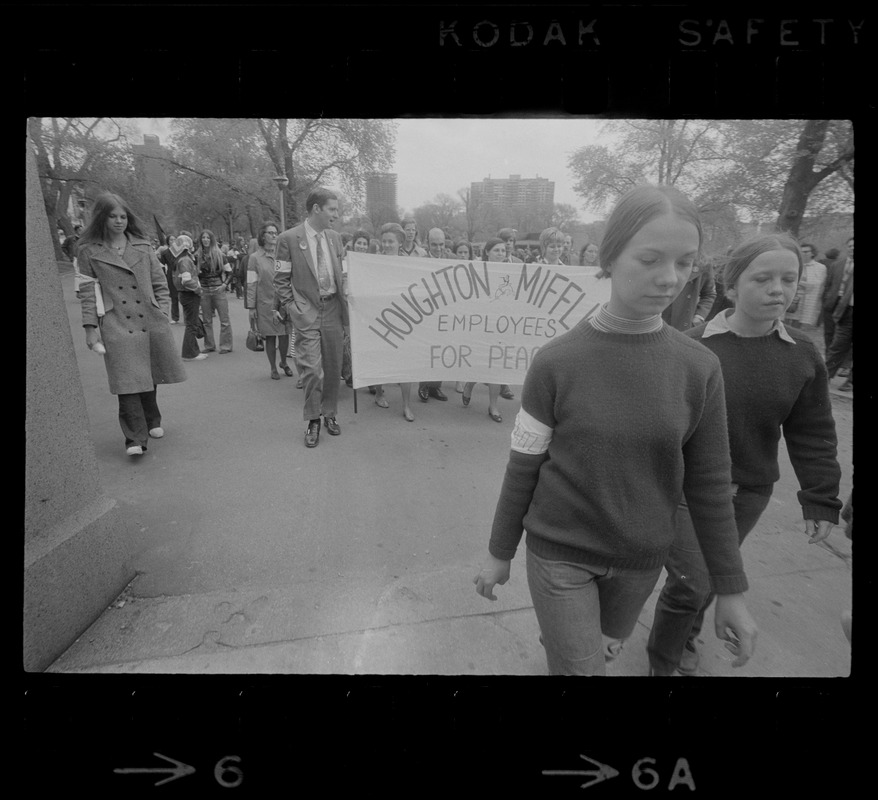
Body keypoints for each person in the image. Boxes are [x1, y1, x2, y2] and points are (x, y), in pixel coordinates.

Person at [473, 184, 757, 676]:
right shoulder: (555, 362)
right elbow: (524, 465)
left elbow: (709, 486)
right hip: (559, 556)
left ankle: (574, 636)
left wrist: (730, 589)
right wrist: (501, 553)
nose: (669, 279)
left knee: (597, 645)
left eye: (685, 263)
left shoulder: (700, 368)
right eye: (649, 259)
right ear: (610, 256)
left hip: (640, 564)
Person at [647, 232, 842, 676]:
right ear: (732, 287)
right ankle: (665, 661)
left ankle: (687, 634)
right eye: (763, 279)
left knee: (717, 576)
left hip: (750, 491)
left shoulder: (803, 356)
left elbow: (812, 432)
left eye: (789, 279)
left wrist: (820, 496)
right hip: (688, 490)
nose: (778, 289)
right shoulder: (691, 347)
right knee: (691, 582)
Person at [75, 192, 186, 456]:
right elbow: (87, 292)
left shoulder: (143, 247)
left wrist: (161, 310)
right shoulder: (88, 251)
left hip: (149, 318)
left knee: (148, 372)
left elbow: (160, 282)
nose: (118, 221)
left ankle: (152, 419)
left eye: (123, 216)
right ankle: (135, 439)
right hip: (116, 322)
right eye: (112, 216)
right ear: (101, 217)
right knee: (126, 380)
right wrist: (91, 329)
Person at [273, 187, 349, 448]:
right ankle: (313, 419)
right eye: (332, 209)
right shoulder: (289, 239)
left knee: (333, 367)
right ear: (316, 209)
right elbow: (280, 280)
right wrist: (293, 308)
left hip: (334, 311)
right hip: (307, 313)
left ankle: (330, 414)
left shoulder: (336, 239)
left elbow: (344, 274)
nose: (336, 215)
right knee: (312, 370)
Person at [368, 223, 416, 421]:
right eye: (384, 241)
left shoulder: (410, 264)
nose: (387, 245)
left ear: (400, 243)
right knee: (380, 358)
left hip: (404, 319)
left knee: (405, 364)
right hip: (380, 317)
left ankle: (406, 404)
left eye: (391, 241)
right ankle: (379, 393)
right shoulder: (372, 263)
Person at [461, 237, 505, 422]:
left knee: (496, 364)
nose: (501, 254)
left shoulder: (512, 272)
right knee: (479, 360)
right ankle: (469, 385)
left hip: (502, 325)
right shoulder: (477, 269)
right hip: (480, 324)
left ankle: (493, 406)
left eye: (503, 251)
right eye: (497, 250)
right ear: (487, 252)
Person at [247, 221, 295, 381]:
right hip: (265, 303)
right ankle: (273, 367)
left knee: (284, 335)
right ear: (263, 236)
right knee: (270, 336)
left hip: (283, 302)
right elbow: (251, 283)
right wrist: (251, 307)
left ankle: (283, 362)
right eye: (270, 233)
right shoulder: (254, 258)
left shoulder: (283, 255)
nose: (274, 235)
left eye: (276, 233)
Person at [418, 227, 450, 403]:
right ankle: (423, 385)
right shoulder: (420, 262)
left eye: (441, 244)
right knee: (427, 350)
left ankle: (436, 386)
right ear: (427, 244)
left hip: (446, 313)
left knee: (441, 351)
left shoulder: (451, 260)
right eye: (434, 245)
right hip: (427, 312)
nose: (438, 248)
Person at [196, 229, 233, 354]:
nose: (205, 240)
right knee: (206, 320)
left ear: (212, 240)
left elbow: (230, 273)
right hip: (204, 290)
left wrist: (224, 285)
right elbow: (194, 274)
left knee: (224, 320)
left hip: (218, 289)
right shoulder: (197, 256)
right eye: (203, 237)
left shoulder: (220, 255)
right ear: (200, 240)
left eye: (208, 238)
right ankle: (209, 345)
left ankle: (226, 346)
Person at [823, 236, 853, 392]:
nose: (853, 248)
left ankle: (850, 382)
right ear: (847, 247)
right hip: (845, 310)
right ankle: (825, 377)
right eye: (851, 246)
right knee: (837, 344)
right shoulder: (838, 265)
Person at [661, 256, 716, 331]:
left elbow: (709, 294)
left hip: (684, 326)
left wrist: (699, 317)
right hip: (656, 322)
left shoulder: (704, 264)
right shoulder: (661, 259)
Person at [784, 242, 826, 332]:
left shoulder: (820, 268)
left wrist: (799, 282)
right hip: (791, 296)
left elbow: (817, 284)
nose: (803, 253)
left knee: (799, 321)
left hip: (807, 298)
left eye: (806, 252)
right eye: (801, 251)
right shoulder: (792, 264)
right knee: (786, 319)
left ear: (813, 253)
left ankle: (795, 337)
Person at [157, 233, 181, 324]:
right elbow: (162, 265)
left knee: (184, 296)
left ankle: (187, 317)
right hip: (171, 275)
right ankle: (175, 317)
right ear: (168, 241)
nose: (173, 241)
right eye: (171, 240)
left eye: (175, 239)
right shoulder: (165, 253)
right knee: (174, 297)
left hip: (181, 273)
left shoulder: (181, 251)